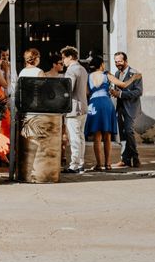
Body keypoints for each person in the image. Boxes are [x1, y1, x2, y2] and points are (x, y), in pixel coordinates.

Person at [85, 56, 142, 171]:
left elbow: (86, 92)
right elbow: (123, 85)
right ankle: (108, 164)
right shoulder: (107, 75)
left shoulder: (88, 76)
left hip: (94, 103)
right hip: (106, 104)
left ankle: (99, 165)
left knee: (97, 137)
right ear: (101, 64)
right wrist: (134, 77)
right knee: (107, 136)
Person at [110, 52, 144, 168]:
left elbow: (139, 92)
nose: (117, 63)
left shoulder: (135, 74)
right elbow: (117, 89)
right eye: (115, 61)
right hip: (119, 107)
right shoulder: (116, 73)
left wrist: (121, 94)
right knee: (122, 134)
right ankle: (125, 159)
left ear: (125, 61)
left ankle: (136, 158)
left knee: (129, 131)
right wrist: (114, 93)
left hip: (131, 107)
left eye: (119, 61)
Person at [60, 46, 89, 174]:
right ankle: (81, 163)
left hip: (73, 109)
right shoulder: (83, 69)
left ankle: (74, 165)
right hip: (83, 107)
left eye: (64, 58)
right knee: (81, 137)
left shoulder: (71, 70)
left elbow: (68, 89)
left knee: (74, 138)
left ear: (70, 57)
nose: (63, 61)